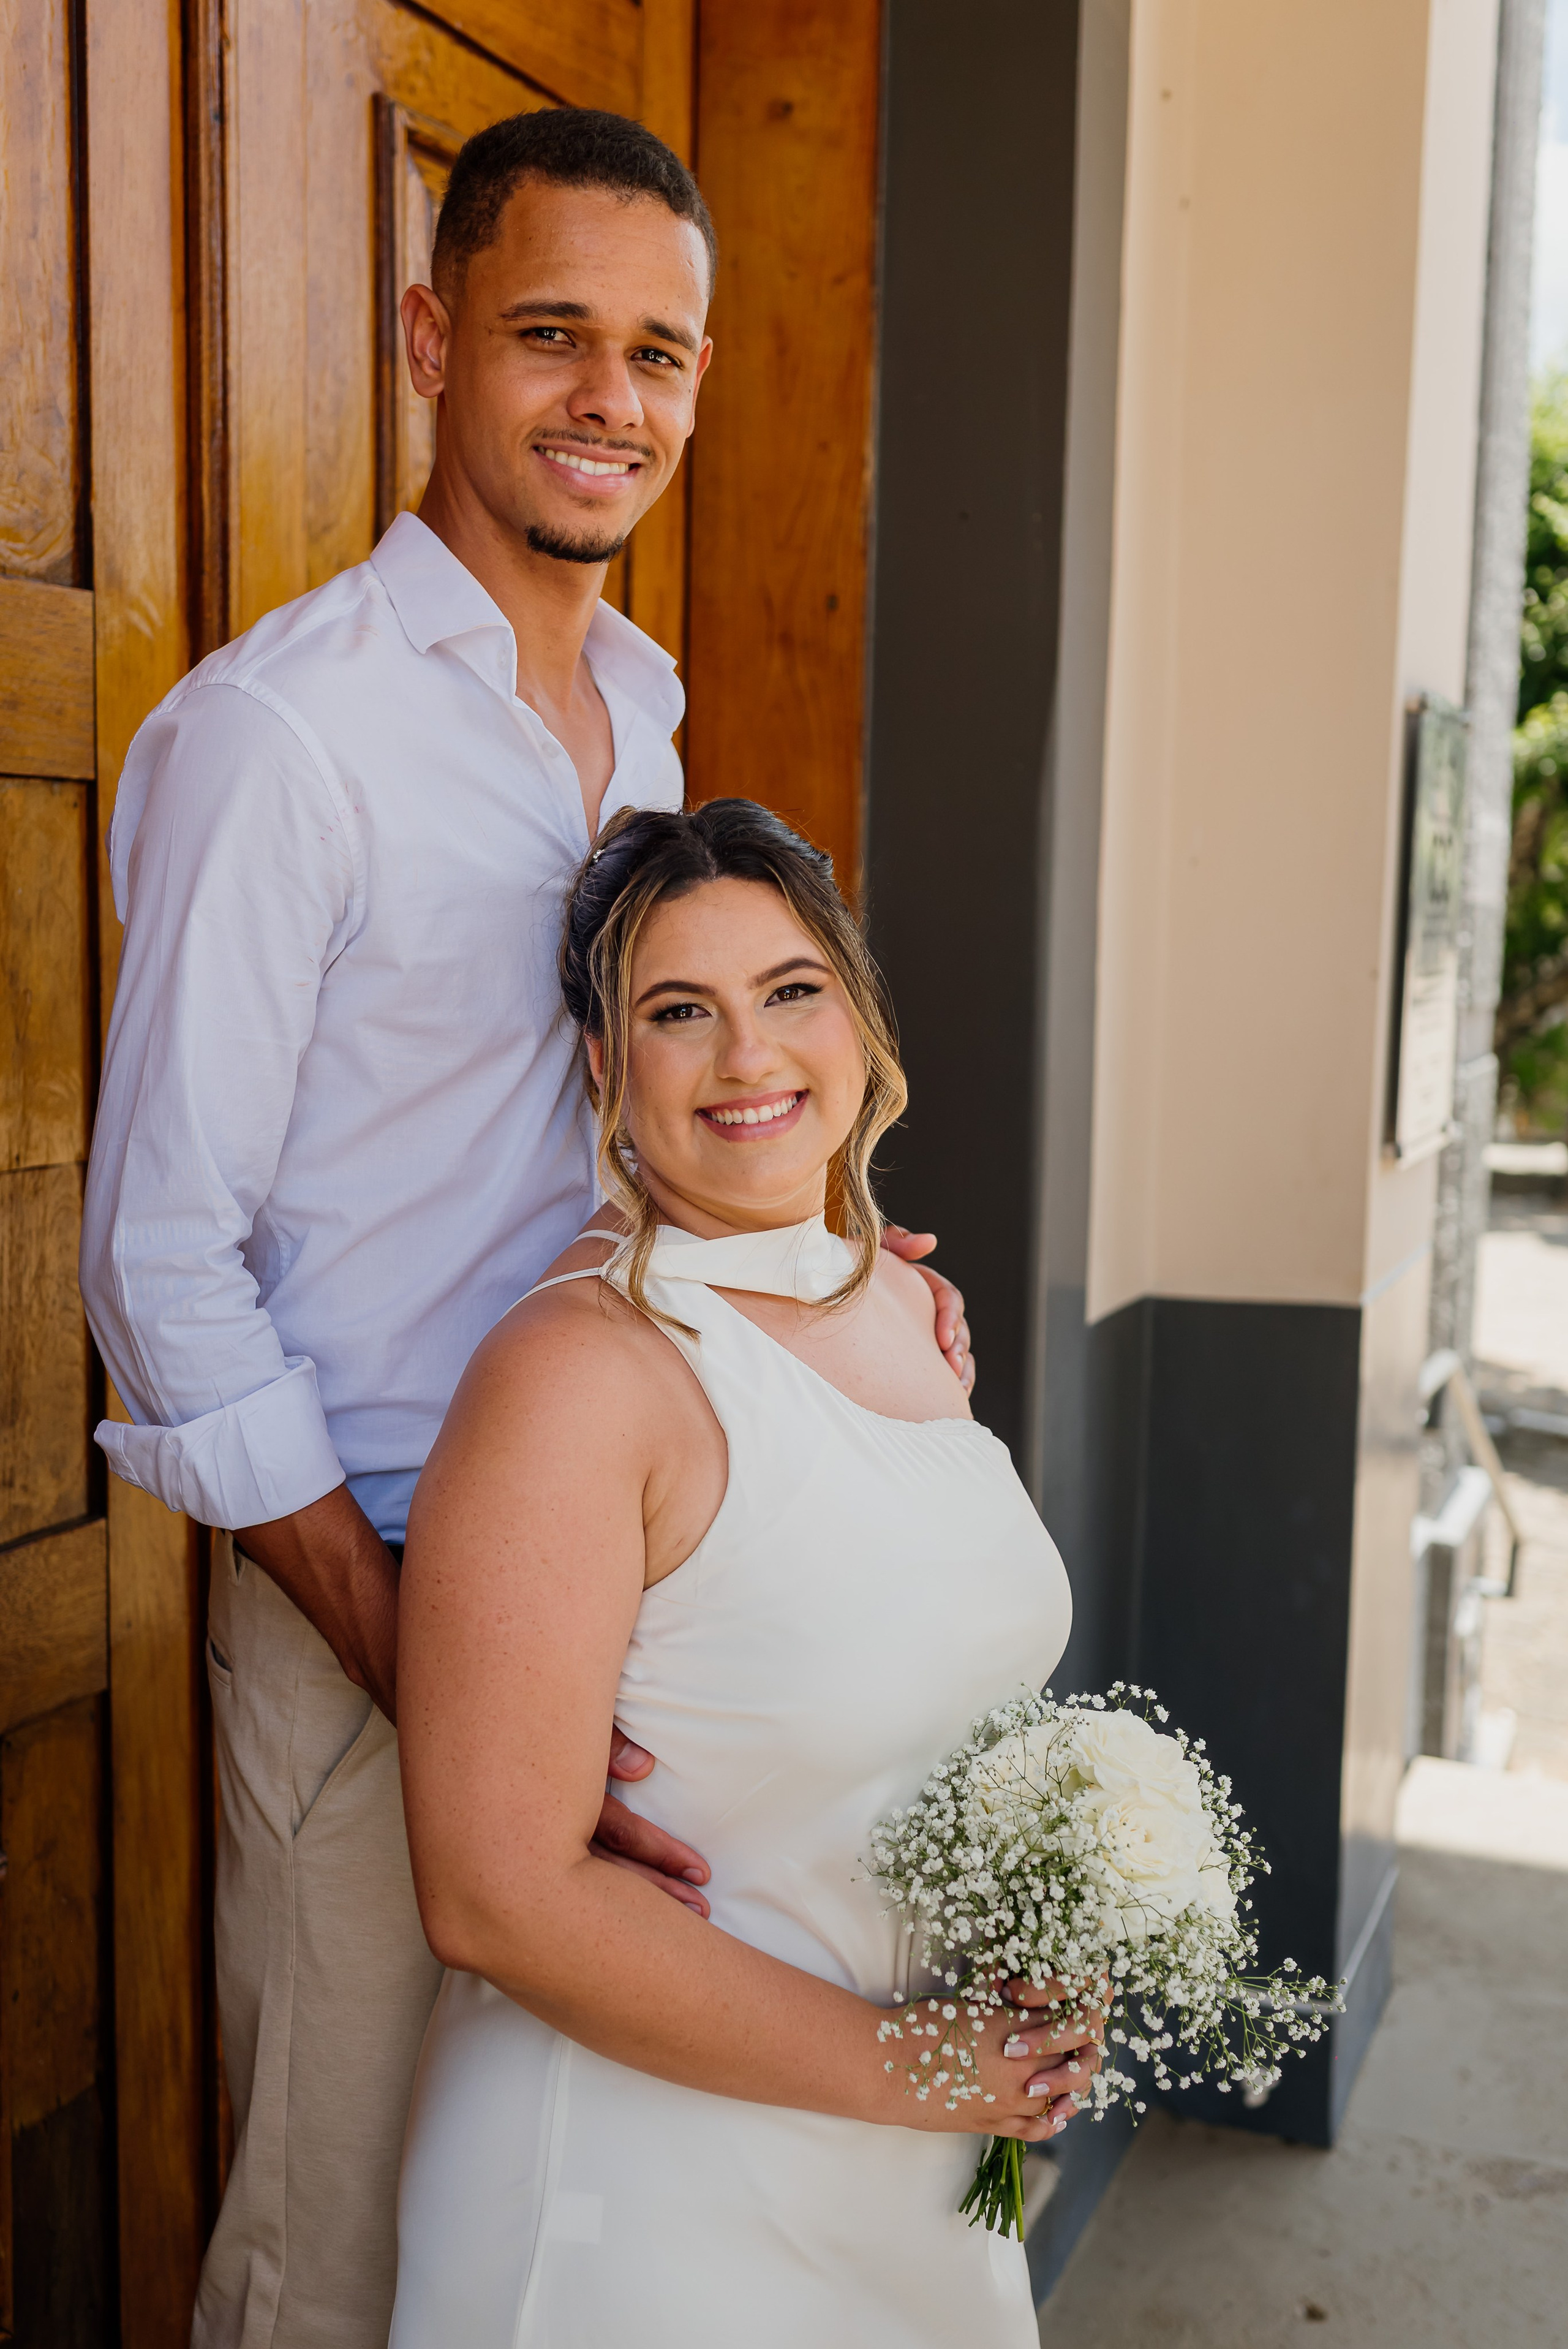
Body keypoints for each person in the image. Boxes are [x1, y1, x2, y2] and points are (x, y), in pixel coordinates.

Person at [79, 112, 971, 2349]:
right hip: (372, 1581)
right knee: (338, 2239)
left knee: (561, 2201)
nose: (613, 399)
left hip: (651, 1570)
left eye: (659, 353)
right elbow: (155, 1263)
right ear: (428, 342)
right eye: (552, 335)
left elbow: (653, 1116)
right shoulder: (279, 740)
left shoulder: (647, 705)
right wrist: (403, 1627)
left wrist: (838, 1279)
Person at [389, 799, 1094, 2349]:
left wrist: (1047, 1942)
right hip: (645, 2207)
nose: (749, 1056)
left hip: (901, 2181)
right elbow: (493, 1899)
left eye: (789, 991)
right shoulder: (576, 1379)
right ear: (600, 1066)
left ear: (857, 1015)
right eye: (675, 1012)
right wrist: (921, 2067)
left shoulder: (900, 1312)